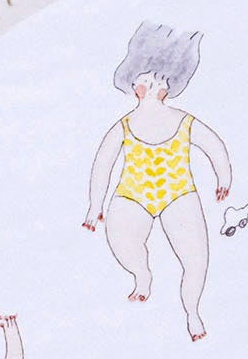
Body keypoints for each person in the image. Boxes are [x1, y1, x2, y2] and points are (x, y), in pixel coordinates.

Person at [81, 21, 235, 341]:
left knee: (196, 259)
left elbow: (214, 145)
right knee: (120, 239)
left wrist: (224, 176)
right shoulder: (123, 126)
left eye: (161, 80)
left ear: (171, 86)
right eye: (146, 79)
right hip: (132, 193)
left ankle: (192, 311)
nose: (153, 85)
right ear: (132, 83)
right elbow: (103, 165)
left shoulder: (184, 121)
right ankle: (142, 273)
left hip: (178, 192)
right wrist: (95, 206)